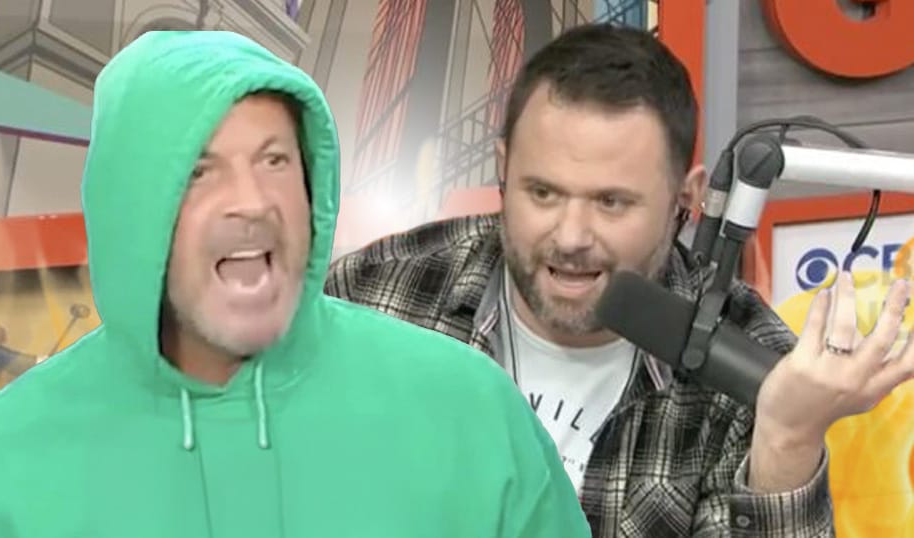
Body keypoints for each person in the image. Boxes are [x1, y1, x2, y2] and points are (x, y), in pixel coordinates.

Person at [0, 31, 593, 537]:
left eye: (274, 161)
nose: (250, 202)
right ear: (130, 212)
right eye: (199, 171)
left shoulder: (468, 413)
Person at [325, 23, 914, 536]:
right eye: (542, 193)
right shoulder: (372, 292)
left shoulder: (753, 369)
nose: (571, 236)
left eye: (611, 202)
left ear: (686, 197)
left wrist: (787, 439)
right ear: (503, 169)